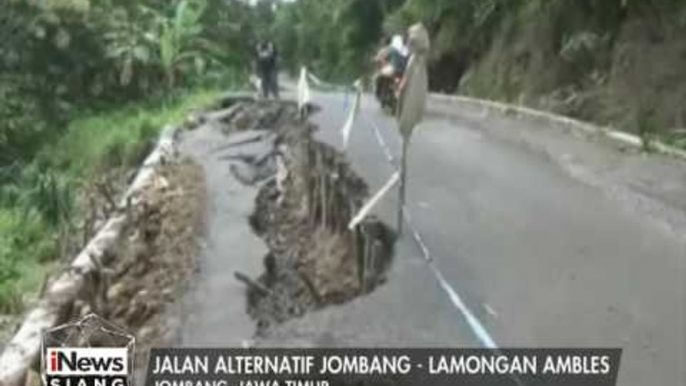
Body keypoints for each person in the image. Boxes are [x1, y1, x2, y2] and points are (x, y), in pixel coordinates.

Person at [395, 23, 430, 235]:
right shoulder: (414, 61)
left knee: (404, 144)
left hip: (409, 109)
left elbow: (414, 93)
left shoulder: (418, 63)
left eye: (410, 38)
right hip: (407, 100)